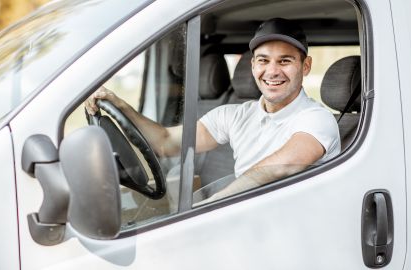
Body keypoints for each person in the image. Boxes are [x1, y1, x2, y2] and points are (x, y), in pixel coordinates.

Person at [85, 18, 341, 203]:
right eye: (263, 60)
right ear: (252, 66)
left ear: (305, 66)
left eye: (285, 61)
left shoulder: (317, 119)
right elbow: (165, 142)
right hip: (248, 218)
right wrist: (121, 105)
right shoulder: (234, 115)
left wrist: (210, 207)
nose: (272, 71)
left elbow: (276, 169)